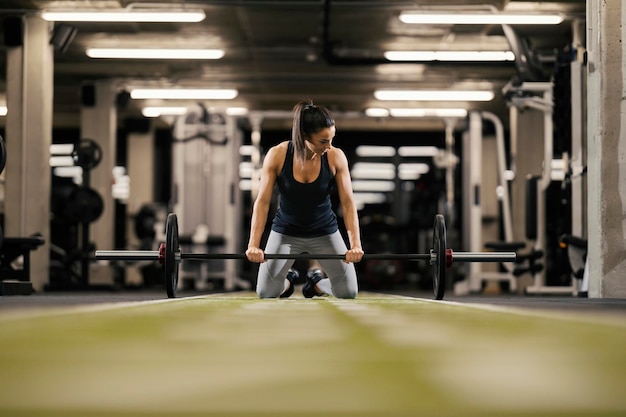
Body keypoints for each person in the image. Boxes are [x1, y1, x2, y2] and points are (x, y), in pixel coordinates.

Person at [245, 99, 364, 298]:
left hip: (324, 231)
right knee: (266, 292)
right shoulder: (277, 155)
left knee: (348, 292)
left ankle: (316, 284)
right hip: (286, 232)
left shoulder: (335, 157)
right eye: (323, 141)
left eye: (331, 139)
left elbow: (348, 203)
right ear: (303, 135)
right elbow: (263, 202)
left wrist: (356, 245)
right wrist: (253, 245)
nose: (329, 146)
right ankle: (288, 280)